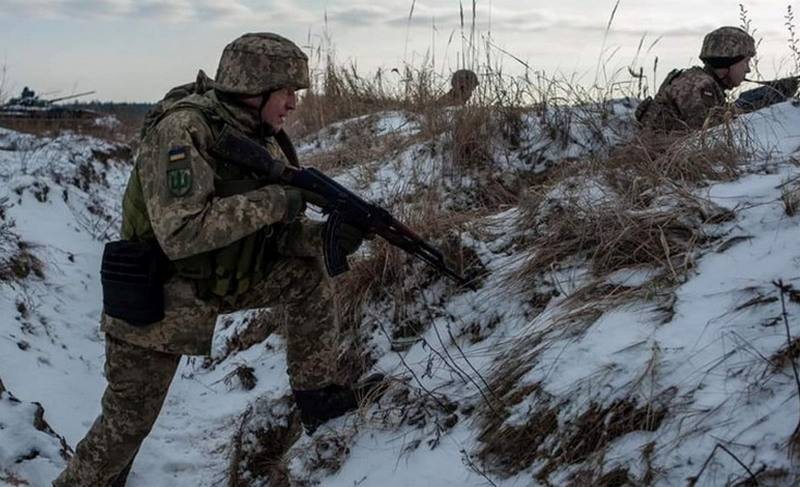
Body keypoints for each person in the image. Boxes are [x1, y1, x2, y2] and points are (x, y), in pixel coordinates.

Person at [54, 32, 379, 486]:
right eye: (287, 92)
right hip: (156, 295)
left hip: (213, 283)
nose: (293, 103)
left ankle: (317, 394)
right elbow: (183, 233)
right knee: (125, 427)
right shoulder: (182, 132)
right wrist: (279, 201)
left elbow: (271, 234)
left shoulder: (255, 136)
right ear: (256, 87)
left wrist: (324, 238)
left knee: (306, 276)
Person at [636, 26, 799, 132]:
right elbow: (711, 138)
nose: (748, 69)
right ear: (728, 61)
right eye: (746, 62)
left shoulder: (698, 81)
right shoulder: (699, 86)